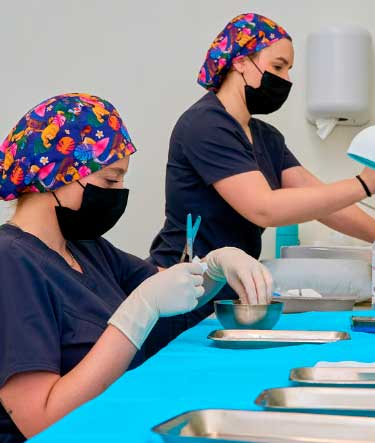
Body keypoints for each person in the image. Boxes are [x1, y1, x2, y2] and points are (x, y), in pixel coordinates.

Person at [0, 93, 272, 442]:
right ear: (57, 175)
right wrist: (138, 310)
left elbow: (174, 290)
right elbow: (40, 421)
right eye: (110, 181)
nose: (119, 192)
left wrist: (216, 267)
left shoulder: (87, 249)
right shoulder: (11, 263)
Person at [148, 13, 375, 318]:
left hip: (228, 290)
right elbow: (263, 208)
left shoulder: (265, 137)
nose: (287, 79)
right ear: (240, 62)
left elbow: (326, 205)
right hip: (183, 288)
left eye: (289, 69)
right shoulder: (206, 125)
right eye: (278, 66)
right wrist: (362, 184)